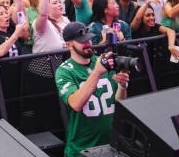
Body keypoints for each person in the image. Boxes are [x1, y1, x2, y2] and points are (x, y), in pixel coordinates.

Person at [55, 22, 130, 157]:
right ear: (69, 45)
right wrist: (96, 72)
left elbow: (120, 103)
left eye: (89, 39)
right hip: (82, 150)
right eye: (82, 41)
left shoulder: (102, 61)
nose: (88, 43)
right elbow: (76, 104)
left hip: (110, 146)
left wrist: (122, 86)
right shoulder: (64, 71)